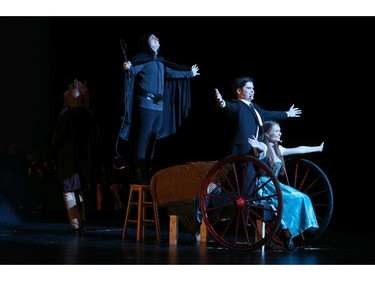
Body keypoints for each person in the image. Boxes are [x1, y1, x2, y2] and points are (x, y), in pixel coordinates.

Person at [119, 33, 200, 184]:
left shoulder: (161, 61)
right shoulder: (143, 59)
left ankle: (148, 171)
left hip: (159, 107)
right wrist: (128, 66)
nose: (157, 39)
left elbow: (171, 73)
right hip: (145, 104)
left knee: (153, 139)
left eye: (157, 38)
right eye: (153, 38)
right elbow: (132, 70)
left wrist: (190, 73)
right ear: (146, 43)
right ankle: (138, 172)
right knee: (143, 139)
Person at [248, 120, 323, 251]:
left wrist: (318, 148)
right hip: (265, 187)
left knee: (303, 197)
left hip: (276, 185)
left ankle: (307, 225)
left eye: (280, 130)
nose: (280, 133)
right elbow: (260, 148)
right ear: (267, 134)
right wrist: (256, 145)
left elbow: (299, 150)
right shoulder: (264, 148)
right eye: (276, 130)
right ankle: (288, 235)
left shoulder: (278, 149)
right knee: (294, 198)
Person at [52, 79, 99, 236]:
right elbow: (95, 138)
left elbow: (57, 139)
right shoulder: (89, 115)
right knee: (79, 192)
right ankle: (81, 222)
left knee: (70, 192)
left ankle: (76, 225)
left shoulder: (66, 115)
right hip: (84, 157)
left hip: (68, 158)